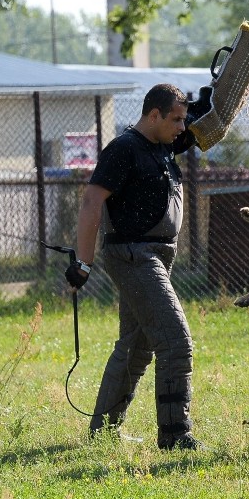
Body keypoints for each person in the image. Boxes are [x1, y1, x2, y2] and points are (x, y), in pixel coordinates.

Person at [65, 83, 210, 451]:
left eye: (184, 119)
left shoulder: (164, 144)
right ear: (153, 115)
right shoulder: (124, 149)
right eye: (176, 119)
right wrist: (82, 262)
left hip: (157, 255)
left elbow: (198, 126)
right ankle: (175, 435)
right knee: (176, 342)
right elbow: (91, 202)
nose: (182, 126)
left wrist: (212, 102)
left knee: (135, 347)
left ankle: (103, 433)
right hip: (133, 255)